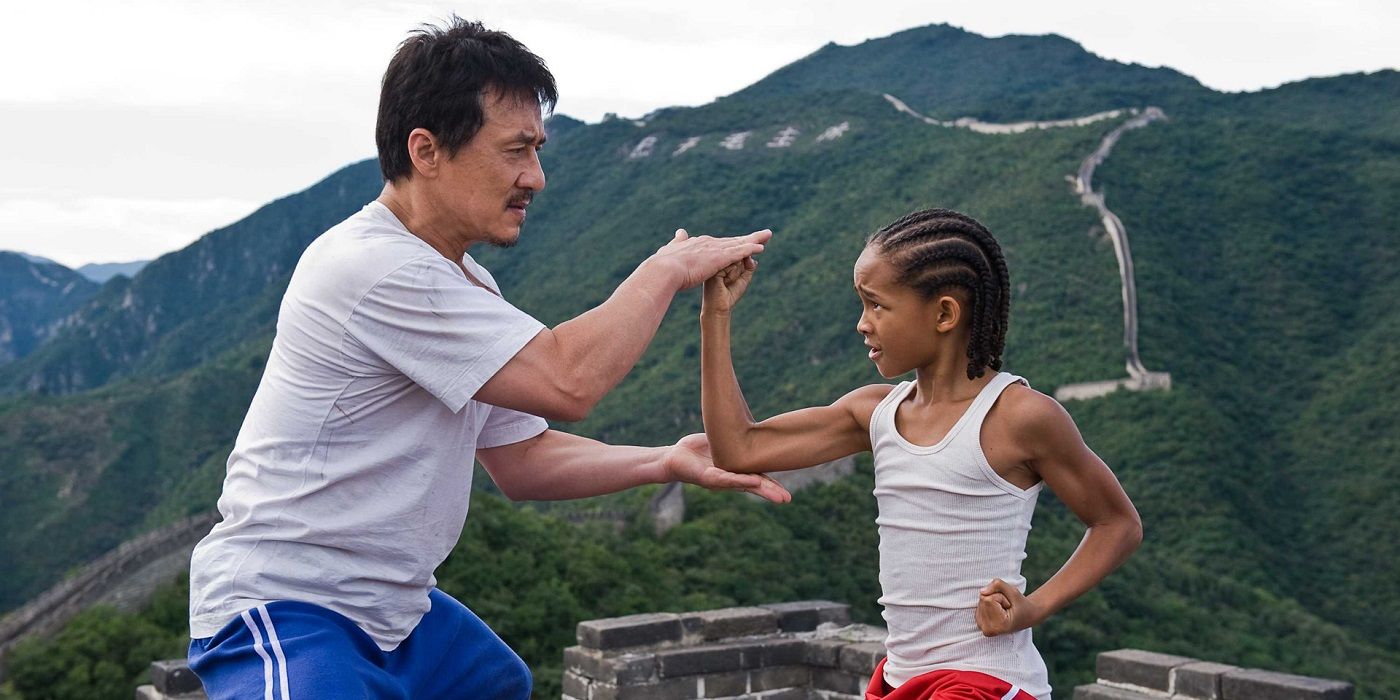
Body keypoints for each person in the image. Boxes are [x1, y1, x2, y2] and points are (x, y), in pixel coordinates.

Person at [186, 18, 787, 700]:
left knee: (497, 681)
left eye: (537, 150)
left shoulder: (464, 282)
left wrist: (664, 461)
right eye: (515, 150)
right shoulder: (375, 266)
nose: (536, 176)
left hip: (395, 611)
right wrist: (666, 269)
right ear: (427, 150)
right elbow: (569, 380)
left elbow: (523, 462)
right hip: (288, 604)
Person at [699, 208, 1142, 700]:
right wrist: (715, 316)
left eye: (876, 306)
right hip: (900, 679)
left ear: (944, 315)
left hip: (984, 681)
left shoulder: (1019, 417)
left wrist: (1032, 608)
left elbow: (1117, 524)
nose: (862, 325)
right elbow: (738, 449)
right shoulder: (875, 412)